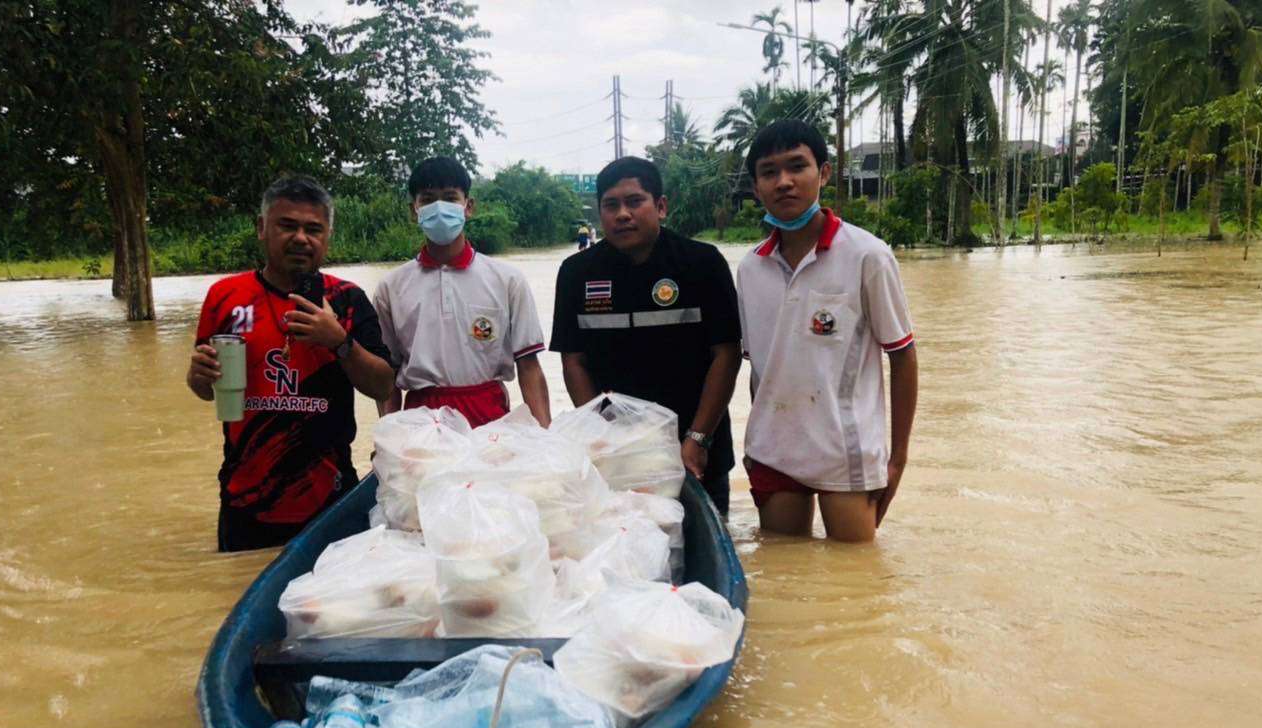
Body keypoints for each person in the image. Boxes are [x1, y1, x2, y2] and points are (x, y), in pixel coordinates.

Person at [186, 175, 395, 552]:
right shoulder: (225, 296)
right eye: (287, 226)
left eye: (313, 229)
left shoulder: (347, 298)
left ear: (328, 236)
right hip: (245, 500)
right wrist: (197, 377)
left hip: (330, 501)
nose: (301, 238)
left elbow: (383, 385)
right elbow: (206, 389)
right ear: (261, 228)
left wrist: (340, 341)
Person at [736, 120, 919, 543]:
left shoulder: (867, 256)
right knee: (783, 566)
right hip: (774, 451)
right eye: (769, 172)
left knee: (855, 570)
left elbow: (903, 355)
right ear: (756, 187)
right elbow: (761, 369)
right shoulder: (750, 268)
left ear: (824, 173)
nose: (784, 181)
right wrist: (756, 441)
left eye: (797, 166)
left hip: (846, 450)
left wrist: (897, 459)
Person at [550, 156, 742, 511]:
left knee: (703, 535)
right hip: (619, 457)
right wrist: (599, 439)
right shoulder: (577, 273)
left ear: (661, 206)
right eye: (611, 205)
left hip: (696, 451)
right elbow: (574, 361)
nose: (623, 214)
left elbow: (727, 355)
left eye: (635, 201)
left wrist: (698, 438)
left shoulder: (702, 263)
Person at [372, 156, 552, 428]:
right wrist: (389, 435)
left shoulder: (507, 280)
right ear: (414, 210)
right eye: (428, 199)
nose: (439, 207)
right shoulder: (391, 288)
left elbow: (529, 367)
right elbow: (387, 376)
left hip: (489, 419)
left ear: (468, 206)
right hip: (421, 423)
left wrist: (545, 437)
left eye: (450, 198)